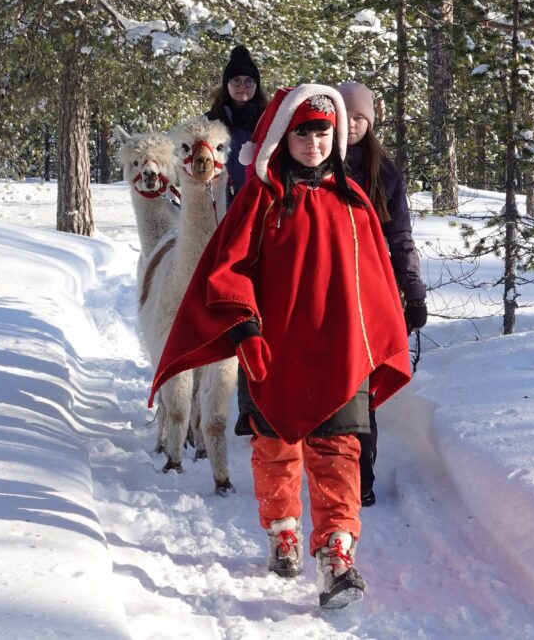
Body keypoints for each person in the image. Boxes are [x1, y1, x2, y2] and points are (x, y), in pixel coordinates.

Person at [149, 84, 412, 610]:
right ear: (282, 137)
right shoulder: (260, 199)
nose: (314, 144)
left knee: (339, 450)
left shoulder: (353, 201)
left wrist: (380, 336)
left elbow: (374, 281)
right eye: (303, 134)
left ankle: (337, 554)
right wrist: (245, 328)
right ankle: (283, 530)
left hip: (339, 354)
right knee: (276, 447)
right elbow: (229, 269)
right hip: (272, 348)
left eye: (323, 134)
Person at [336, 81, 428, 508]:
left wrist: (414, 293)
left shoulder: (384, 173)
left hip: (370, 295)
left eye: (361, 117)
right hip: (326, 291)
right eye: (347, 116)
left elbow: (400, 237)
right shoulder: (317, 164)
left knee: (361, 389)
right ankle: (329, 468)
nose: (354, 124)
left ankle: (362, 477)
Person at [205, 46, 267, 205]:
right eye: (236, 80)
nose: (243, 86)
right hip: (221, 200)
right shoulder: (210, 121)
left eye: (249, 81)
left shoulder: (268, 119)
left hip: (259, 199)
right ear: (227, 83)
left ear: (256, 85)